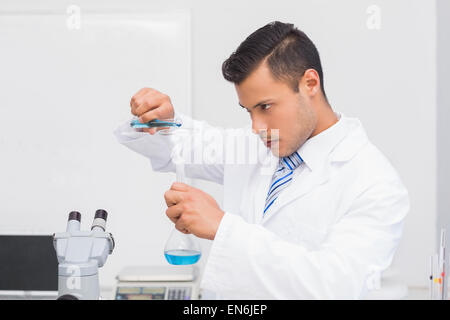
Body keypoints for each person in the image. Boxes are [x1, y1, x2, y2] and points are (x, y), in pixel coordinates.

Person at [114, 21, 409, 299]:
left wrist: (222, 227)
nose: (256, 127)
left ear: (309, 83)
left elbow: (333, 287)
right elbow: (185, 145)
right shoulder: (257, 145)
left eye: (265, 106)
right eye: (248, 110)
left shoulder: (374, 183)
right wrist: (162, 120)